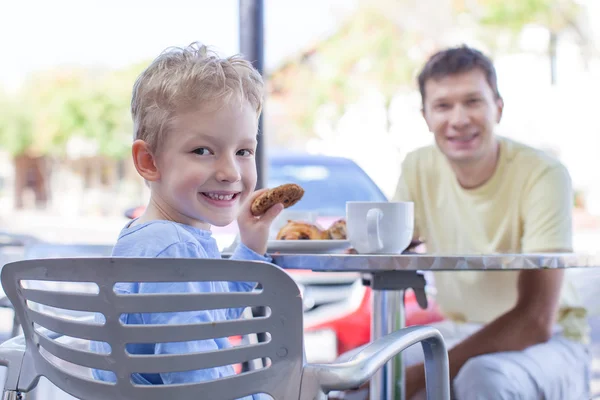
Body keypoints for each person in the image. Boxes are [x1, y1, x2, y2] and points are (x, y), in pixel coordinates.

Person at [393, 45, 589, 399]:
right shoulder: (417, 167)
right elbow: (392, 247)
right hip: (461, 329)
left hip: (554, 339)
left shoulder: (543, 174)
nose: (459, 119)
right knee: (363, 371)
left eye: (472, 101)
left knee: (482, 378)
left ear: (498, 107)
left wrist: (422, 375)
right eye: (443, 106)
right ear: (425, 117)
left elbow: (535, 321)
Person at [90, 42, 282, 399]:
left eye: (243, 151)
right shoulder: (172, 250)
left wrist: (250, 246)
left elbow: (213, 317)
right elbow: (192, 377)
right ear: (149, 161)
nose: (230, 172)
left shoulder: (150, 240)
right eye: (203, 151)